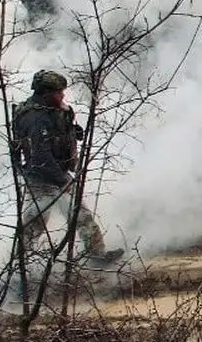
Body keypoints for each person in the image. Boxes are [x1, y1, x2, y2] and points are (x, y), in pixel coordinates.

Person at [12, 69, 122, 266]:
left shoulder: (53, 110)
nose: (62, 95)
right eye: (58, 92)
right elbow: (40, 156)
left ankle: (96, 254)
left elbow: (61, 133)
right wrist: (62, 180)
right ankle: (17, 266)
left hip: (58, 172)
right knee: (36, 223)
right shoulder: (34, 118)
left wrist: (73, 132)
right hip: (41, 178)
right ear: (46, 93)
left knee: (79, 215)